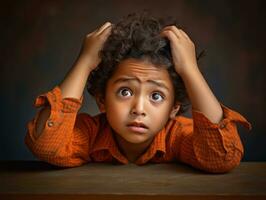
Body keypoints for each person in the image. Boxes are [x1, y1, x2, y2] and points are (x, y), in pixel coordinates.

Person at [25, 11, 252, 174]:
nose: (139, 109)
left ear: (174, 108)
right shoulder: (90, 134)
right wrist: (84, 62)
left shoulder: (179, 136)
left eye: (156, 96)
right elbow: (47, 145)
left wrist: (190, 71)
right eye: (125, 92)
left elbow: (221, 158)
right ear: (102, 101)